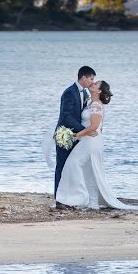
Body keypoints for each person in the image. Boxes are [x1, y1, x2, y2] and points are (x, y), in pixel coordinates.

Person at [55, 80, 138, 212]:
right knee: (89, 171)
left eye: (96, 84)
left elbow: (94, 127)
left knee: (72, 165)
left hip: (90, 141)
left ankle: (76, 198)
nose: (93, 84)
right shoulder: (90, 102)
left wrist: (76, 136)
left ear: (99, 91)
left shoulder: (96, 105)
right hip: (88, 140)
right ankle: (93, 203)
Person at [53, 66, 97, 200]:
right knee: (61, 166)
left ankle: (70, 197)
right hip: (65, 135)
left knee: (71, 168)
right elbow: (66, 116)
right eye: (91, 78)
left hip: (78, 136)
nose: (92, 82)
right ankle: (58, 199)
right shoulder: (69, 92)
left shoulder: (85, 93)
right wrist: (83, 131)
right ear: (83, 78)